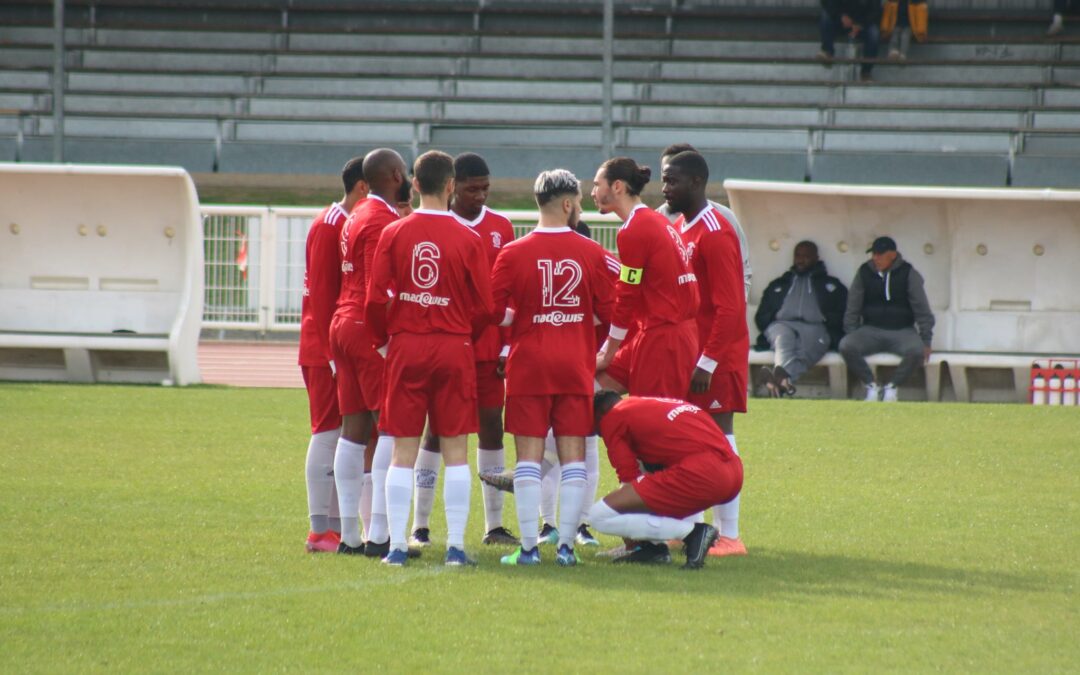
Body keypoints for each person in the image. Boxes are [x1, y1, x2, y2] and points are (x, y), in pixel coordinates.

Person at [365, 150, 495, 567]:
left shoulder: (395, 233)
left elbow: (374, 301)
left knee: (403, 450)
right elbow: (486, 307)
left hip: (407, 344)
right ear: (451, 185)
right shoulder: (469, 238)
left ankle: (399, 546)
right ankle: (456, 547)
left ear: (415, 184)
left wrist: (386, 342)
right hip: (453, 345)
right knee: (456, 448)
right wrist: (461, 332)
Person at [490, 169, 618, 567]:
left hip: (529, 365)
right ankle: (566, 547)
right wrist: (579, 324)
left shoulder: (512, 252)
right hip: (574, 365)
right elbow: (611, 312)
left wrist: (524, 317)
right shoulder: (593, 252)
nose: (580, 208)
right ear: (567, 204)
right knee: (574, 456)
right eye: (578, 202)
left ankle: (529, 548)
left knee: (528, 458)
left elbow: (493, 312)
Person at [409, 153, 519, 549]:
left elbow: (504, 293)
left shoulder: (501, 227)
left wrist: (507, 347)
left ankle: (494, 525)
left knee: (492, 426)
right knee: (436, 430)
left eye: (486, 189)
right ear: (453, 186)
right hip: (448, 341)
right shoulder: (439, 224)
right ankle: (420, 525)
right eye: (473, 189)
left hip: (488, 347)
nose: (481, 196)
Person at [661, 150, 749, 558]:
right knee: (691, 441)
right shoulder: (681, 225)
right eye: (663, 180)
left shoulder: (716, 231)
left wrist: (708, 361)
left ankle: (729, 534)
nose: (665, 189)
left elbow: (731, 307)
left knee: (720, 436)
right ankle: (692, 528)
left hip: (717, 357)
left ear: (696, 183)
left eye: (672, 181)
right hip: (691, 355)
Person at [329, 148, 411, 556]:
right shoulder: (381, 220)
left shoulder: (357, 213)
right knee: (390, 428)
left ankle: (348, 534)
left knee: (353, 430)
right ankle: (379, 535)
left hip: (341, 323)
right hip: (365, 326)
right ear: (396, 174)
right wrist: (384, 339)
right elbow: (382, 287)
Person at [586, 392, 742, 569]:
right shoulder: (655, 403)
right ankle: (653, 549)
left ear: (600, 414)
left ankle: (693, 533)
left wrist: (630, 536)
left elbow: (629, 480)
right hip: (734, 472)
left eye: (597, 429)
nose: (600, 434)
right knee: (648, 487)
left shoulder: (613, 417)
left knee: (598, 515)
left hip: (703, 474)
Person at [300, 157, 366, 553]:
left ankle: (336, 527)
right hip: (323, 347)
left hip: (329, 345)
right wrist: (330, 354)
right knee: (327, 431)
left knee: (344, 433)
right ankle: (318, 529)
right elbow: (322, 296)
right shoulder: (331, 225)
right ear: (362, 188)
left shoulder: (339, 221)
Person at [592, 157, 699, 399]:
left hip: (663, 338)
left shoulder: (636, 228)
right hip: (658, 331)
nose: (592, 192)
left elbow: (627, 293)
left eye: (597, 185)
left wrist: (609, 350)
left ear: (617, 186)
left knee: (653, 424)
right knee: (590, 393)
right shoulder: (655, 222)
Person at [839, 236, 935, 402]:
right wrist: (852, 332)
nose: (876, 258)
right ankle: (871, 385)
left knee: (917, 350)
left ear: (892, 254)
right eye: (874, 254)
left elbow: (922, 309)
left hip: (902, 331)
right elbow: (853, 306)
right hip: (870, 330)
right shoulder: (865, 272)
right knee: (846, 345)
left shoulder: (908, 273)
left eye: (880, 254)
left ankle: (892, 386)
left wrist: (926, 340)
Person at [656, 143, 751, 300]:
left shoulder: (723, 218)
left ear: (694, 180)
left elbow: (743, 269)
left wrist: (738, 303)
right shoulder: (658, 220)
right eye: (665, 176)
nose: (665, 187)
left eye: (673, 179)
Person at [754, 240, 848, 397]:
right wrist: (772, 320)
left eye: (806, 256)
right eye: (798, 255)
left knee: (805, 352)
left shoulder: (831, 285)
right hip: (782, 325)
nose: (801, 260)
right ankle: (783, 381)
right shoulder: (779, 284)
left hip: (815, 327)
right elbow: (761, 315)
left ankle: (780, 382)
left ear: (816, 258)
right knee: (782, 338)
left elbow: (843, 314)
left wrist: (828, 321)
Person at [819, 0, 882, 81]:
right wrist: (841, 16)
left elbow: (876, 10)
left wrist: (860, 24)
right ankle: (827, 52)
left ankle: (866, 72)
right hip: (840, 21)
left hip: (862, 24)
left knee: (874, 33)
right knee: (826, 16)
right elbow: (827, 3)